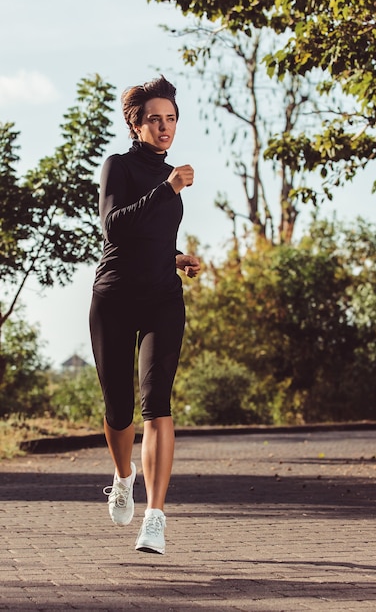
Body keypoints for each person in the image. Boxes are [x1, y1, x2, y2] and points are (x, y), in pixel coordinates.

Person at [89, 75, 200, 555]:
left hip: (161, 298)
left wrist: (176, 257)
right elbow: (115, 227)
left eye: (170, 119)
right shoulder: (119, 167)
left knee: (158, 402)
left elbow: (151, 237)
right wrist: (168, 190)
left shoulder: (171, 175)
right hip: (114, 297)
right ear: (135, 124)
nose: (164, 127)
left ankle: (155, 517)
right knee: (118, 408)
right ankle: (122, 476)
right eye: (154, 119)